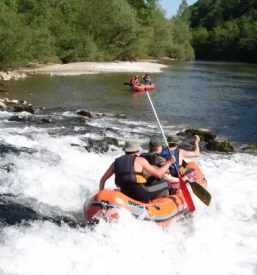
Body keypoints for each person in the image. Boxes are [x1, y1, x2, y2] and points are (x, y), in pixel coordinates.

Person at [99, 140, 176, 202]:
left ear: (125, 150)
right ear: (137, 150)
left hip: (125, 194)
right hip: (140, 194)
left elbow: (102, 180)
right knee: (166, 183)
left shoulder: (115, 163)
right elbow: (159, 174)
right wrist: (169, 162)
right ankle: (152, 203)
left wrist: (100, 195)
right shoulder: (140, 160)